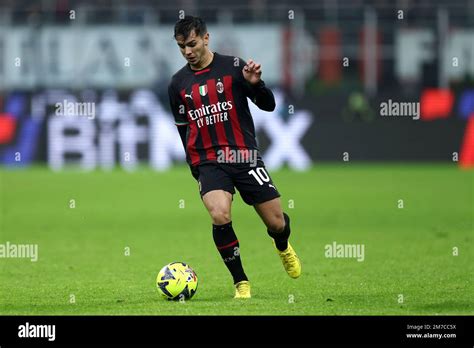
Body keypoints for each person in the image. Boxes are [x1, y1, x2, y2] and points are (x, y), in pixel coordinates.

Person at [168, 16, 301, 299]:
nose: (187, 51)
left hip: (243, 155)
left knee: (276, 223)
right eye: (181, 47)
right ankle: (241, 282)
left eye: (191, 44)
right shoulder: (178, 84)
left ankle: (283, 245)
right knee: (220, 214)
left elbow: (269, 105)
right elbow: (183, 130)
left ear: (206, 38)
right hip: (209, 160)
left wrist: (256, 84)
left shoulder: (234, 67)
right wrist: (195, 166)